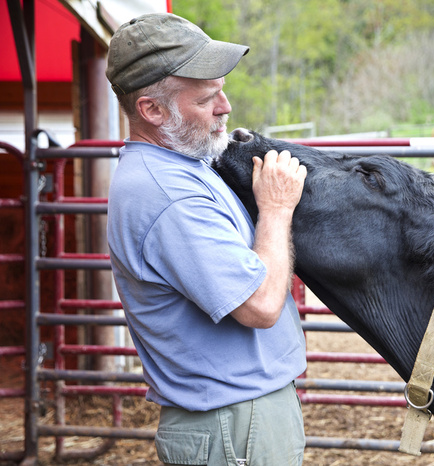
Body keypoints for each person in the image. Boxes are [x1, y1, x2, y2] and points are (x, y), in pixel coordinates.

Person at [105, 13, 308, 466]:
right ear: (152, 110)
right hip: (231, 427)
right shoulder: (166, 195)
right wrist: (275, 210)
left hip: (236, 419)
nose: (226, 106)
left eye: (221, 90)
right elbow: (259, 305)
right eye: (207, 97)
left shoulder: (186, 164)